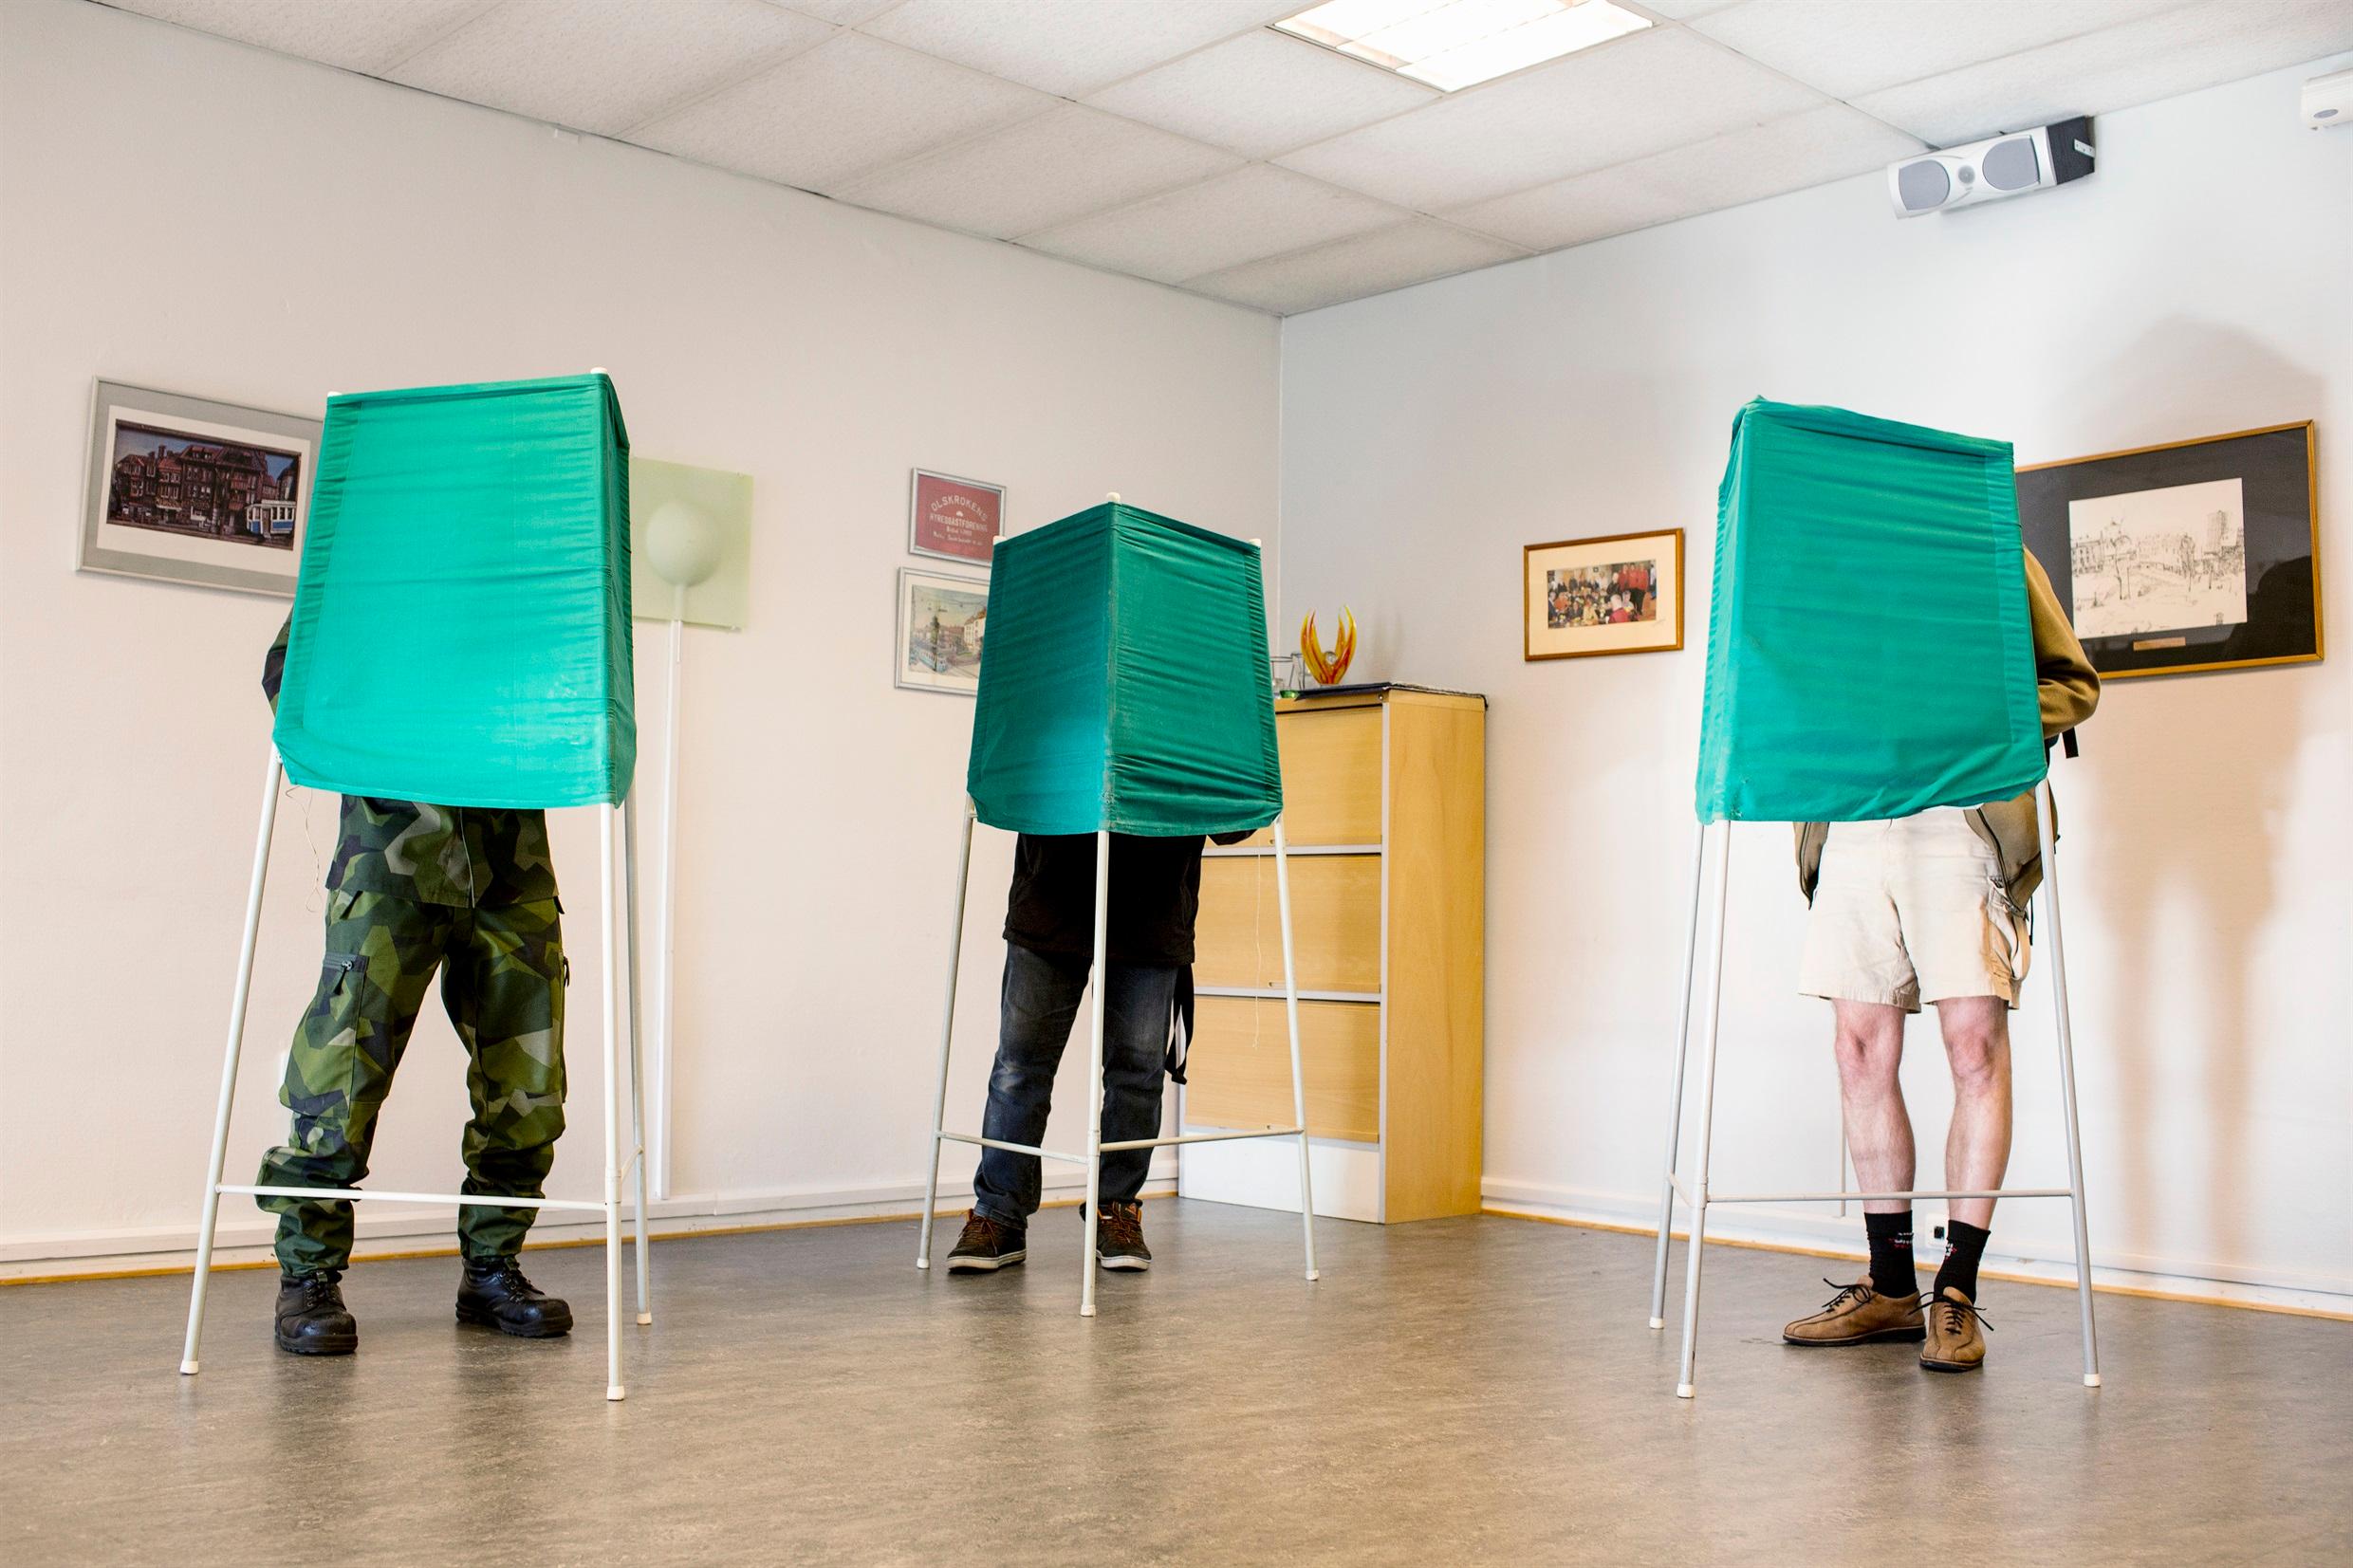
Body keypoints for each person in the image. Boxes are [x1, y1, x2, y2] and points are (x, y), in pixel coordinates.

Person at [1780, 550, 2098, 1374]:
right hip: (1850, 814)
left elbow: (2072, 683)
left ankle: (1955, 1293)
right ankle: (1890, 1287)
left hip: (1960, 818)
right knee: (1857, 1047)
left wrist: (1969, 724)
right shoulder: (1833, 565)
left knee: (1973, 1046)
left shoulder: (1989, 548)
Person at [257, 617, 573, 1355]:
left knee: (528, 1090)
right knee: (341, 1080)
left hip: (512, 865)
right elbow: (288, 676)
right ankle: (308, 1273)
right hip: (388, 860)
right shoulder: (378, 566)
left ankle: (492, 1266)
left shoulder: (517, 578)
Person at [945, 829, 1249, 1274]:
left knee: (1137, 1073)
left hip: (1153, 906)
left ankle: (1116, 1209)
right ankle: (999, 1215)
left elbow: (1235, 821)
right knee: (1019, 1066)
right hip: (1050, 897)